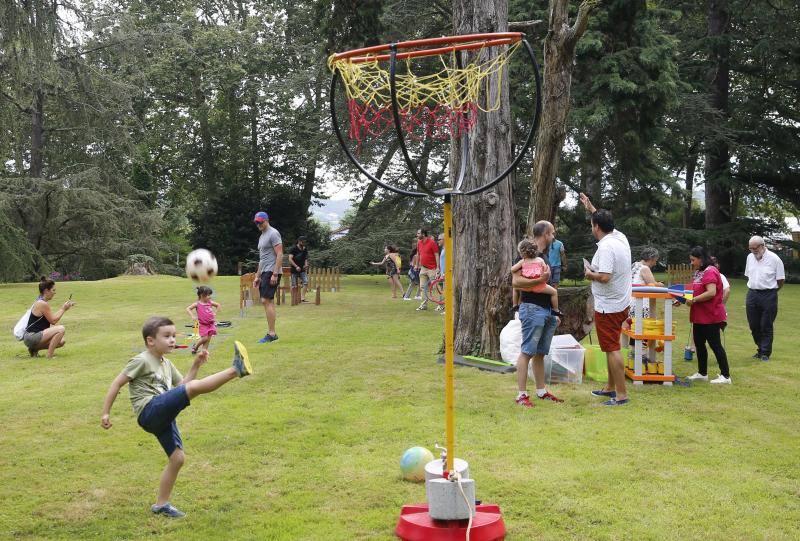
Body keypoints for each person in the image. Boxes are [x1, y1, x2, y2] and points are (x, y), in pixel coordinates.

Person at [100, 316, 252, 518]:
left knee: (177, 459)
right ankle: (235, 370)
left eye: (174, 336)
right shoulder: (141, 360)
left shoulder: (167, 364)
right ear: (150, 341)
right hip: (150, 410)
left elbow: (181, 388)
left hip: (162, 414)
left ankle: (161, 505)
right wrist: (105, 412)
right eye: (167, 336)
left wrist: (196, 365)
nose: (172, 340)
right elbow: (117, 383)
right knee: (194, 388)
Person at [580, 194, 632, 406]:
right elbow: (603, 221)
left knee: (612, 349)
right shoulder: (620, 238)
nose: (592, 228)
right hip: (621, 302)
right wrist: (592, 208)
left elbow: (605, 276)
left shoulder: (606, 247)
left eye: (593, 225)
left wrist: (589, 274)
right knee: (611, 345)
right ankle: (610, 387)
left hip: (608, 307)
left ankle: (621, 395)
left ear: (596, 227)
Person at [511, 221, 564, 407]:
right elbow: (516, 283)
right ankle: (521, 395)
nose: (554, 236)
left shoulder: (544, 257)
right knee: (527, 352)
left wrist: (555, 312)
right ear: (545, 234)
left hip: (547, 310)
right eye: (552, 233)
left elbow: (550, 286)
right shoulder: (524, 257)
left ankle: (541, 391)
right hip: (531, 309)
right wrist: (540, 280)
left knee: (540, 353)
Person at [684, 246, 732, 384]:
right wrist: (680, 299)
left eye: (693, 260)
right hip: (699, 316)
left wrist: (694, 300)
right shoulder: (699, 272)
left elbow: (711, 292)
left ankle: (726, 376)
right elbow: (694, 290)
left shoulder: (710, 271)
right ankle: (702, 373)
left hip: (711, 315)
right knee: (699, 344)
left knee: (715, 344)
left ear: (701, 258)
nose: (691, 263)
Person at [744, 235, 785, 361]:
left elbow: (781, 280)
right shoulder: (750, 257)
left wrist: (772, 291)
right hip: (752, 293)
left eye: (755, 248)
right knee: (754, 325)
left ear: (762, 246)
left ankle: (765, 353)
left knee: (766, 325)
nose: (753, 251)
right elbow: (748, 275)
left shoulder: (774, 259)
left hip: (768, 295)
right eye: (750, 248)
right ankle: (761, 348)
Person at [22, 277, 76, 358]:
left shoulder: (40, 301)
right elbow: (53, 321)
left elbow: (52, 317)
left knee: (61, 341)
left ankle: (33, 349)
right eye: (53, 290)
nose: (55, 293)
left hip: (31, 337)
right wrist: (63, 309)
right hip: (32, 336)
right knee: (61, 329)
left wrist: (63, 308)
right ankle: (49, 356)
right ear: (46, 291)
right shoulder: (42, 304)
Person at [510, 238, 563, 317]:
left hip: (527, 288)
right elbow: (546, 271)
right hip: (540, 287)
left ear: (522, 253)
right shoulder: (540, 260)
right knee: (554, 292)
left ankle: (515, 305)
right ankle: (556, 310)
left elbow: (512, 269)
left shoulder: (523, 261)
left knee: (515, 288)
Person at [253, 211, 283, 343]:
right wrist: (257, 276)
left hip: (272, 271)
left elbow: (280, 254)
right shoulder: (262, 236)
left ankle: (272, 334)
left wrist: (275, 273)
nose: (258, 224)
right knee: (266, 301)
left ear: (266, 220)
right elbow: (262, 259)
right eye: (256, 222)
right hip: (265, 271)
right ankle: (271, 333)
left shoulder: (273, 233)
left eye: (260, 222)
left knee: (266, 300)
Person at [185, 286, 219, 353]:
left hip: (211, 324)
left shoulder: (210, 302)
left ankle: (204, 351)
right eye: (208, 295)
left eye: (210, 295)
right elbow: (188, 308)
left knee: (208, 339)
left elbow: (218, 305)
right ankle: (195, 347)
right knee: (205, 338)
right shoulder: (197, 304)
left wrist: (215, 313)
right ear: (202, 295)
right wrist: (192, 316)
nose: (210, 297)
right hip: (203, 325)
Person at [415, 228, 439, 311]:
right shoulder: (419, 243)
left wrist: (438, 268)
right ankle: (424, 305)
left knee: (435, 286)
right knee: (422, 287)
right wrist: (416, 265)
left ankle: (440, 305)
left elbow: (436, 255)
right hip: (423, 268)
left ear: (423, 234)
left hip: (432, 269)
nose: (417, 235)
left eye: (418, 233)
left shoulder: (432, 243)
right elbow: (418, 254)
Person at [288, 236, 310, 303]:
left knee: (305, 282)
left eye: (304, 242)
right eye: (302, 242)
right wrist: (296, 266)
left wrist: (306, 264)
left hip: (302, 270)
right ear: (299, 241)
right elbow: (290, 259)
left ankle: (302, 298)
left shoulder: (305, 249)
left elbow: (305, 258)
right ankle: (294, 299)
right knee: (294, 285)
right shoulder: (293, 248)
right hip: (294, 270)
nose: (304, 243)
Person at [435, 233, 446, 312]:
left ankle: (447, 309)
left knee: (448, 292)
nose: (437, 241)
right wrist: (439, 272)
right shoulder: (443, 249)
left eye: (439, 239)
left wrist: (445, 273)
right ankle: (442, 306)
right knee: (443, 290)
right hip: (443, 274)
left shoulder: (448, 249)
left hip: (447, 274)